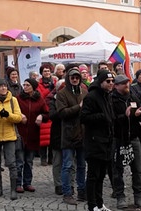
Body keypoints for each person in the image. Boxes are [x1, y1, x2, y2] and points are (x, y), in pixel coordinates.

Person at [111, 74, 141, 209]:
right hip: (118, 139)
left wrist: (139, 116)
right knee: (118, 170)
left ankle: (138, 196)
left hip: (134, 138)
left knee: (137, 169)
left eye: (127, 82)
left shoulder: (133, 98)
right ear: (116, 86)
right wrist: (125, 115)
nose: (126, 85)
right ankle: (120, 196)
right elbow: (111, 119)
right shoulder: (112, 99)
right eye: (122, 83)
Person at [81, 70, 115, 211]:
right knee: (93, 176)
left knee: (101, 176)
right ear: (101, 82)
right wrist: (102, 117)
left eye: (112, 81)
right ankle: (92, 205)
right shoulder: (91, 97)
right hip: (94, 142)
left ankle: (100, 204)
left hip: (106, 141)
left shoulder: (108, 96)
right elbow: (84, 118)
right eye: (108, 81)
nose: (111, 84)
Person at [56, 68, 87, 204]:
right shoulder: (62, 93)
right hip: (68, 134)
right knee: (67, 166)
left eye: (77, 77)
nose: (75, 79)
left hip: (82, 134)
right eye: (72, 77)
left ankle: (82, 192)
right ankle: (67, 194)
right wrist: (78, 107)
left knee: (81, 165)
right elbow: (62, 113)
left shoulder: (84, 92)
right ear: (68, 78)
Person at [15, 78, 49, 193]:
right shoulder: (18, 99)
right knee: (19, 161)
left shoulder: (39, 99)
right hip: (20, 134)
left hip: (33, 134)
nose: (25, 87)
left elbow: (47, 113)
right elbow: (13, 111)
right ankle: (17, 183)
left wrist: (41, 116)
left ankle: (27, 183)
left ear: (33, 87)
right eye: (24, 85)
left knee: (29, 161)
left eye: (27, 85)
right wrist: (20, 116)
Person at [37, 64, 57, 166]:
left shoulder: (55, 82)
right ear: (42, 73)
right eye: (45, 71)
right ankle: (43, 158)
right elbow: (40, 97)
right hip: (43, 112)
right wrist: (50, 90)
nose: (47, 73)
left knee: (52, 137)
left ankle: (51, 158)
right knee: (43, 137)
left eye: (48, 71)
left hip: (52, 111)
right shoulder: (38, 84)